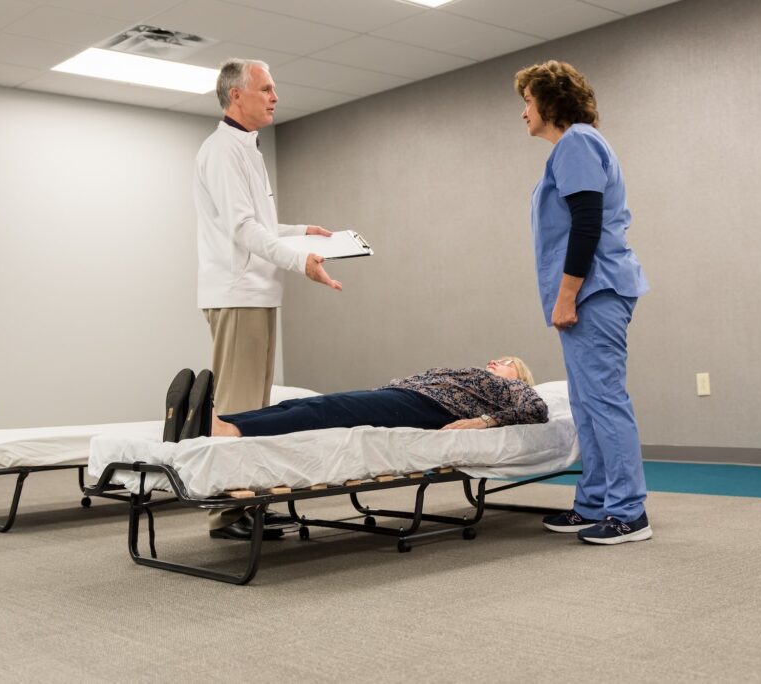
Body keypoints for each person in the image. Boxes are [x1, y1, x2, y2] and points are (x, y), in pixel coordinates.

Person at [194, 58, 341, 540]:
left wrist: (302, 232)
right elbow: (241, 229)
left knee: (254, 411)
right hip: (238, 293)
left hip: (257, 293)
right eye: (266, 89)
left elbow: (257, 224)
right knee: (235, 409)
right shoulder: (222, 150)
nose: (275, 97)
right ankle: (226, 513)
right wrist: (300, 261)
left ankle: (248, 503)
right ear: (236, 95)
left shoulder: (247, 148)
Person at [516, 61, 652, 545]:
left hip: (594, 289)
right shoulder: (572, 148)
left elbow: (587, 224)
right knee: (586, 401)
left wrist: (567, 295)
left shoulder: (576, 143)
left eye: (527, 102)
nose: (523, 113)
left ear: (550, 101)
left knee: (603, 398)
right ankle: (594, 502)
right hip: (590, 289)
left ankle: (629, 512)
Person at [212, 357, 547, 437]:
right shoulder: (477, 376)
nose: (496, 362)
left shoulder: (513, 390)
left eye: (507, 362)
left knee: (326, 408)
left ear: (520, 377)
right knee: (306, 404)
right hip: (400, 395)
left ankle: (234, 430)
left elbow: (537, 409)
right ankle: (222, 421)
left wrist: (482, 422)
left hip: (428, 407)